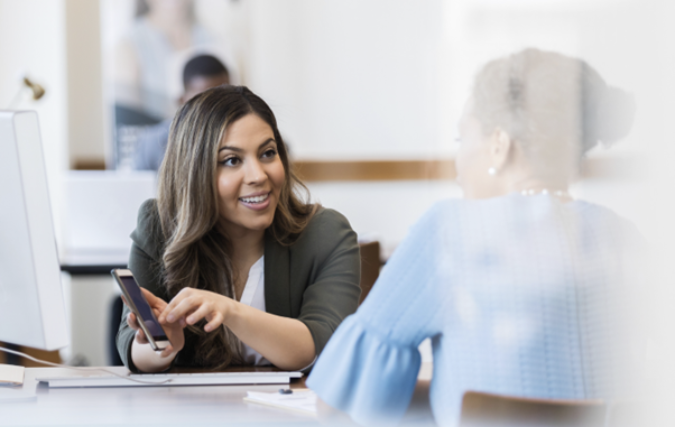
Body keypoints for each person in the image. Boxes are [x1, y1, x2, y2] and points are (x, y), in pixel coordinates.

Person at [307, 48, 642, 426]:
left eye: (461, 138)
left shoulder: (451, 229)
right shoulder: (624, 237)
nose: (458, 162)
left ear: (499, 144)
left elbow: (339, 403)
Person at [117, 85, 361, 373]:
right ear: (194, 172)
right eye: (232, 160)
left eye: (268, 153)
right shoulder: (159, 226)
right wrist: (162, 346)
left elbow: (323, 345)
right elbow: (130, 345)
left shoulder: (326, 233)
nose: (258, 175)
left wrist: (230, 310)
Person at [133, 54, 231, 171]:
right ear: (182, 101)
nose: (215, 107)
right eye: (204, 101)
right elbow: (140, 188)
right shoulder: (151, 144)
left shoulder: (242, 134)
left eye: (223, 98)